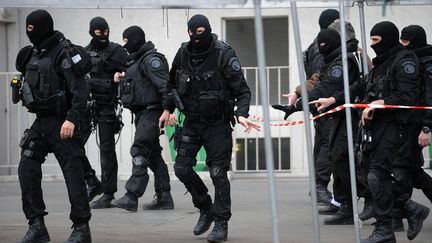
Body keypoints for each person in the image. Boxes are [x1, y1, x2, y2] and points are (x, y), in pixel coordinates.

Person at [313, 21, 422, 243]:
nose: (372, 45)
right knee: (364, 173)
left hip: (397, 127)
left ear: (388, 39)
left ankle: (386, 228)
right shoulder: (382, 62)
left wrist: (380, 103)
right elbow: (360, 86)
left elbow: (409, 98)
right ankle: (409, 209)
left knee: (376, 175)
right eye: (371, 40)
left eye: (376, 41)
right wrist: (333, 99)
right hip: (376, 128)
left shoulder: (404, 62)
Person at [159, 14, 260, 242]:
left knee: (217, 173)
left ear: (209, 30)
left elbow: (242, 90)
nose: (198, 37)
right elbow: (171, 84)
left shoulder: (223, 53)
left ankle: (221, 223)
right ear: (188, 33)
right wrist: (167, 110)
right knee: (182, 169)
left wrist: (241, 114)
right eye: (194, 32)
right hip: (192, 122)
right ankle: (205, 207)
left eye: (202, 32)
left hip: (217, 125)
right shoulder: (183, 53)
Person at [14, 9, 92, 243]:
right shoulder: (33, 54)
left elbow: (80, 91)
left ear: (43, 27)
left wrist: (72, 119)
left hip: (64, 121)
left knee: (73, 173)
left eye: (33, 29)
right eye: (27, 29)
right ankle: (36, 225)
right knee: (26, 168)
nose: (30, 33)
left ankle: (81, 228)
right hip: (41, 122)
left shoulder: (64, 53)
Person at [274, 9, 340, 207]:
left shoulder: (316, 46)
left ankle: (326, 191)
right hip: (324, 103)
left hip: (319, 101)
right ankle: (320, 186)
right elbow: (321, 78)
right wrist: (301, 94)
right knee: (327, 147)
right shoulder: (324, 48)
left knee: (322, 146)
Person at [110, 26, 174, 212]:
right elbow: (141, 84)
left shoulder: (151, 60)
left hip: (152, 112)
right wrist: (122, 78)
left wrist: (167, 110)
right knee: (153, 155)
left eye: (126, 41)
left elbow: (165, 86)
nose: (124, 45)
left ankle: (131, 196)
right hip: (142, 113)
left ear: (135, 40)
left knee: (139, 149)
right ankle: (164, 197)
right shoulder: (137, 61)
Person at [389, 25, 432, 236]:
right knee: (412, 170)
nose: (402, 45)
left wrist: (426, 127)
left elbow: (429, 100)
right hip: (407, 123)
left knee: (402, 168)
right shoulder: (410, 61)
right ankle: (398, 215)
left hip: (417, 124)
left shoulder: (427, 64)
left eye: (406, 41)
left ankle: (398, 216)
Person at [84, 16, 128, 209]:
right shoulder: (85, 53)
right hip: (88, 106)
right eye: (99, 32)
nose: (103, 35)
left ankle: (108, 193)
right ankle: (92, 181)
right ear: (92, 32)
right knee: (72, 144)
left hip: (108, 106)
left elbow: (131, 70)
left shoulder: (117, 51)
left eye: (106, 31)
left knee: (107, 150)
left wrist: (120, 77)